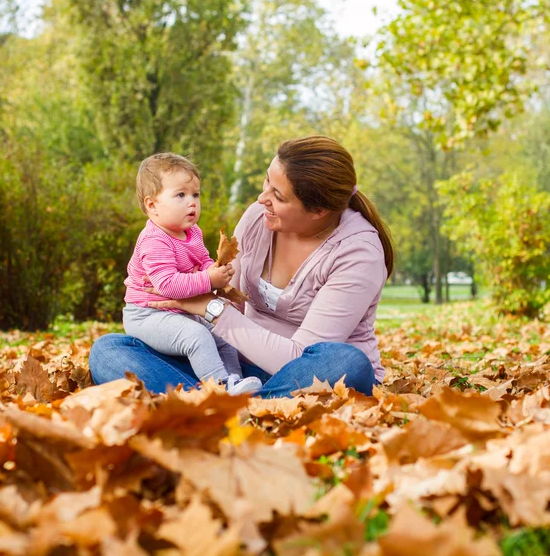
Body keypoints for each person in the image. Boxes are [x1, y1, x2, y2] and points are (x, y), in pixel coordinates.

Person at [90, 136, 394, 398]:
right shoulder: (259, 218)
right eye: (267, 182)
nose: (263, 198)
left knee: (348, 364)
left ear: (318, 210)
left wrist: (209, 308)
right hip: (238, 366)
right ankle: (232, 400)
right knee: (109, 350)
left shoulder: (358, 252)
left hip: (302, 371)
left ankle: (216, 406)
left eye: (278, 195)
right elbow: (225, 295)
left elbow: (297, 357)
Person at [121, 153, 263, 395]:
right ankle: (218, 387)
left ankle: (236, 382)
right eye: (180, 195)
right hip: (147, 314)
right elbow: (167, 285)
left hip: (181, 310)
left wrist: (215, 270)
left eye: (195, 195)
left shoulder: (192, 232)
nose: (192, 202)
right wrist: (208, 279)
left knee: (224, 337)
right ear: (152, 205)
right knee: (196, 336)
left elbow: (202, 261)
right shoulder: (154, 240)